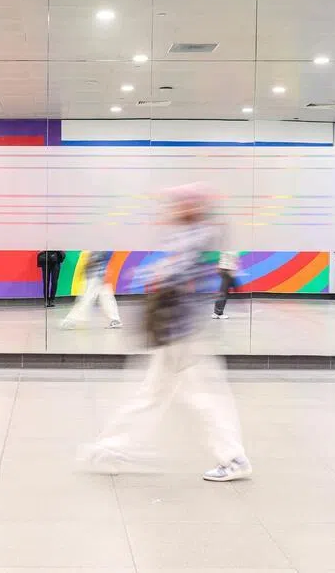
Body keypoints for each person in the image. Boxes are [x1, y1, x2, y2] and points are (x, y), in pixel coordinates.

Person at [77, 183, 251, 483]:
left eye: (180, 204)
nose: (174, 209)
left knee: (200, 396)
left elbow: (177, 271)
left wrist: (153, 274)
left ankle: (233, 458)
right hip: (175, 330)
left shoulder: (198, 234)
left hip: (184, 332)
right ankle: (112, 448)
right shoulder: (190, 233)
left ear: (193, 208)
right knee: (154, 393)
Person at [61, 251, 121, 329]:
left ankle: (72, 320)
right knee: (106, 297)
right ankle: (115, 320)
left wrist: (86, 267)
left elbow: (98, 258)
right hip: (100, 274)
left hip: (96, 275)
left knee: (87, 298)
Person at [212, 251, 240, 319]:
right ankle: (218, 313)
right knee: (223, 293)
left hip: (224, 270)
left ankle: (217, 312)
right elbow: (232, 260)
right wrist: (233, 272)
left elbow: (222, 259)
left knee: (223, 292)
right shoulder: (231, 249)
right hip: (227, 271)